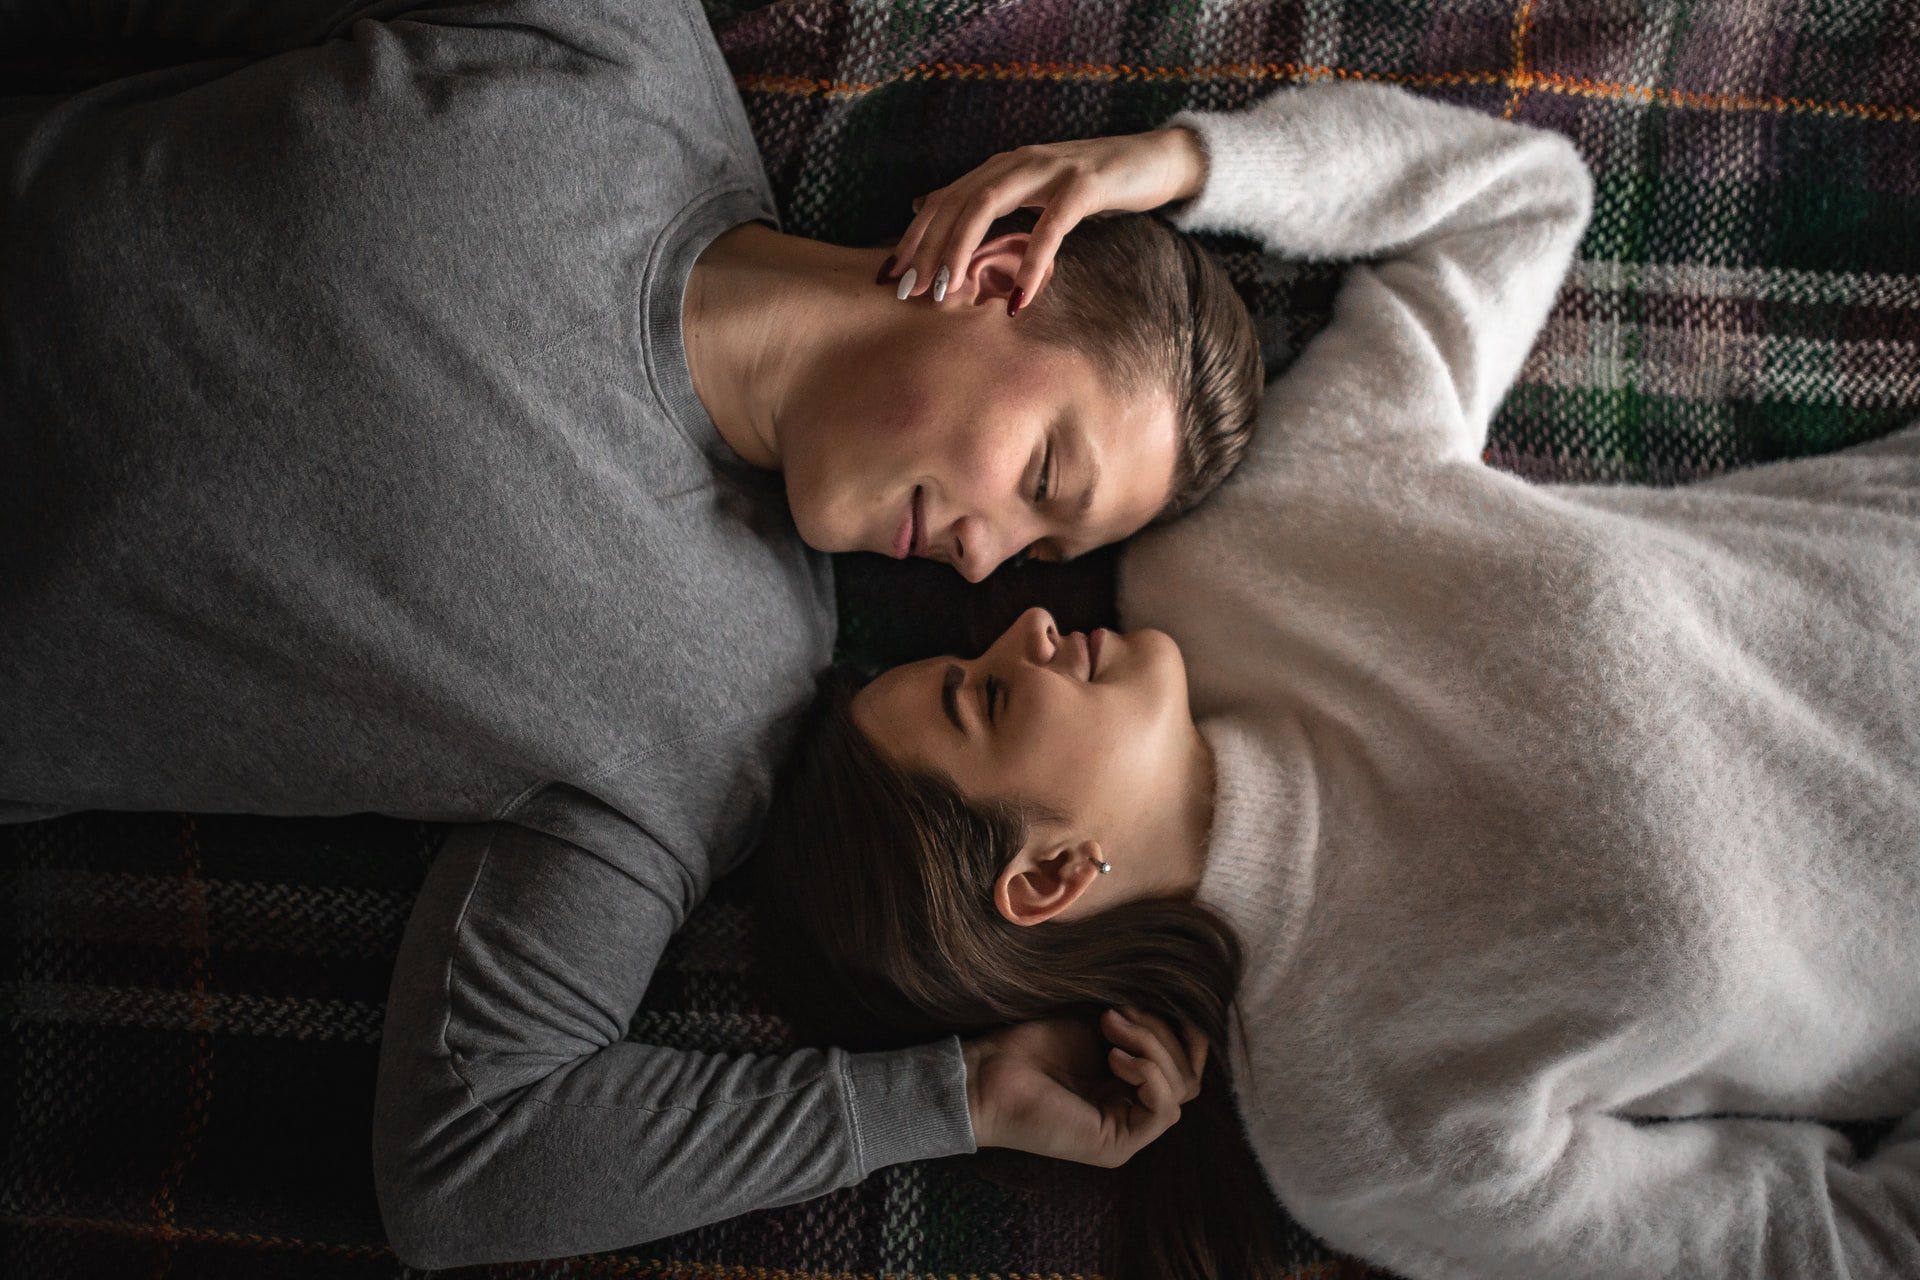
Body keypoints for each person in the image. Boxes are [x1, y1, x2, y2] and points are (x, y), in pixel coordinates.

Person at [0, 0, 1257, 1266]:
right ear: (996, 272)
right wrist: (1183, 159)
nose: (988, 565)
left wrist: (958, 1097)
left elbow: (468, 1166)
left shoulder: (715, 713)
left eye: (1038, 553)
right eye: (1044, 475)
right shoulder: (618, 53)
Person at [756, 80, 1920, 1280]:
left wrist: (1168, 166)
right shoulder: (1368, 1129)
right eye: (990, 697)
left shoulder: (1237, 550)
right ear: (1049, 875)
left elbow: (1519, 198)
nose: (1029, 623)